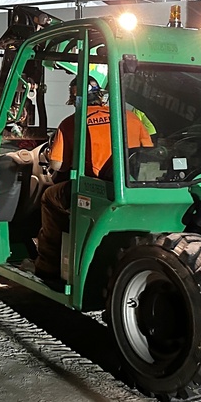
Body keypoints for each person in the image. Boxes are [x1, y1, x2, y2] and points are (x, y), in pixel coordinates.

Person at [34, 75, 152, 284]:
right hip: (132, 187)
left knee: (49, 198)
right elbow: (147, 154)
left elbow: (56, 165)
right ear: (100, 96)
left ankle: (47, 265)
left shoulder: (72, 122)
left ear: (75, 98)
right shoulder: (131, 118)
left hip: (94, 191)